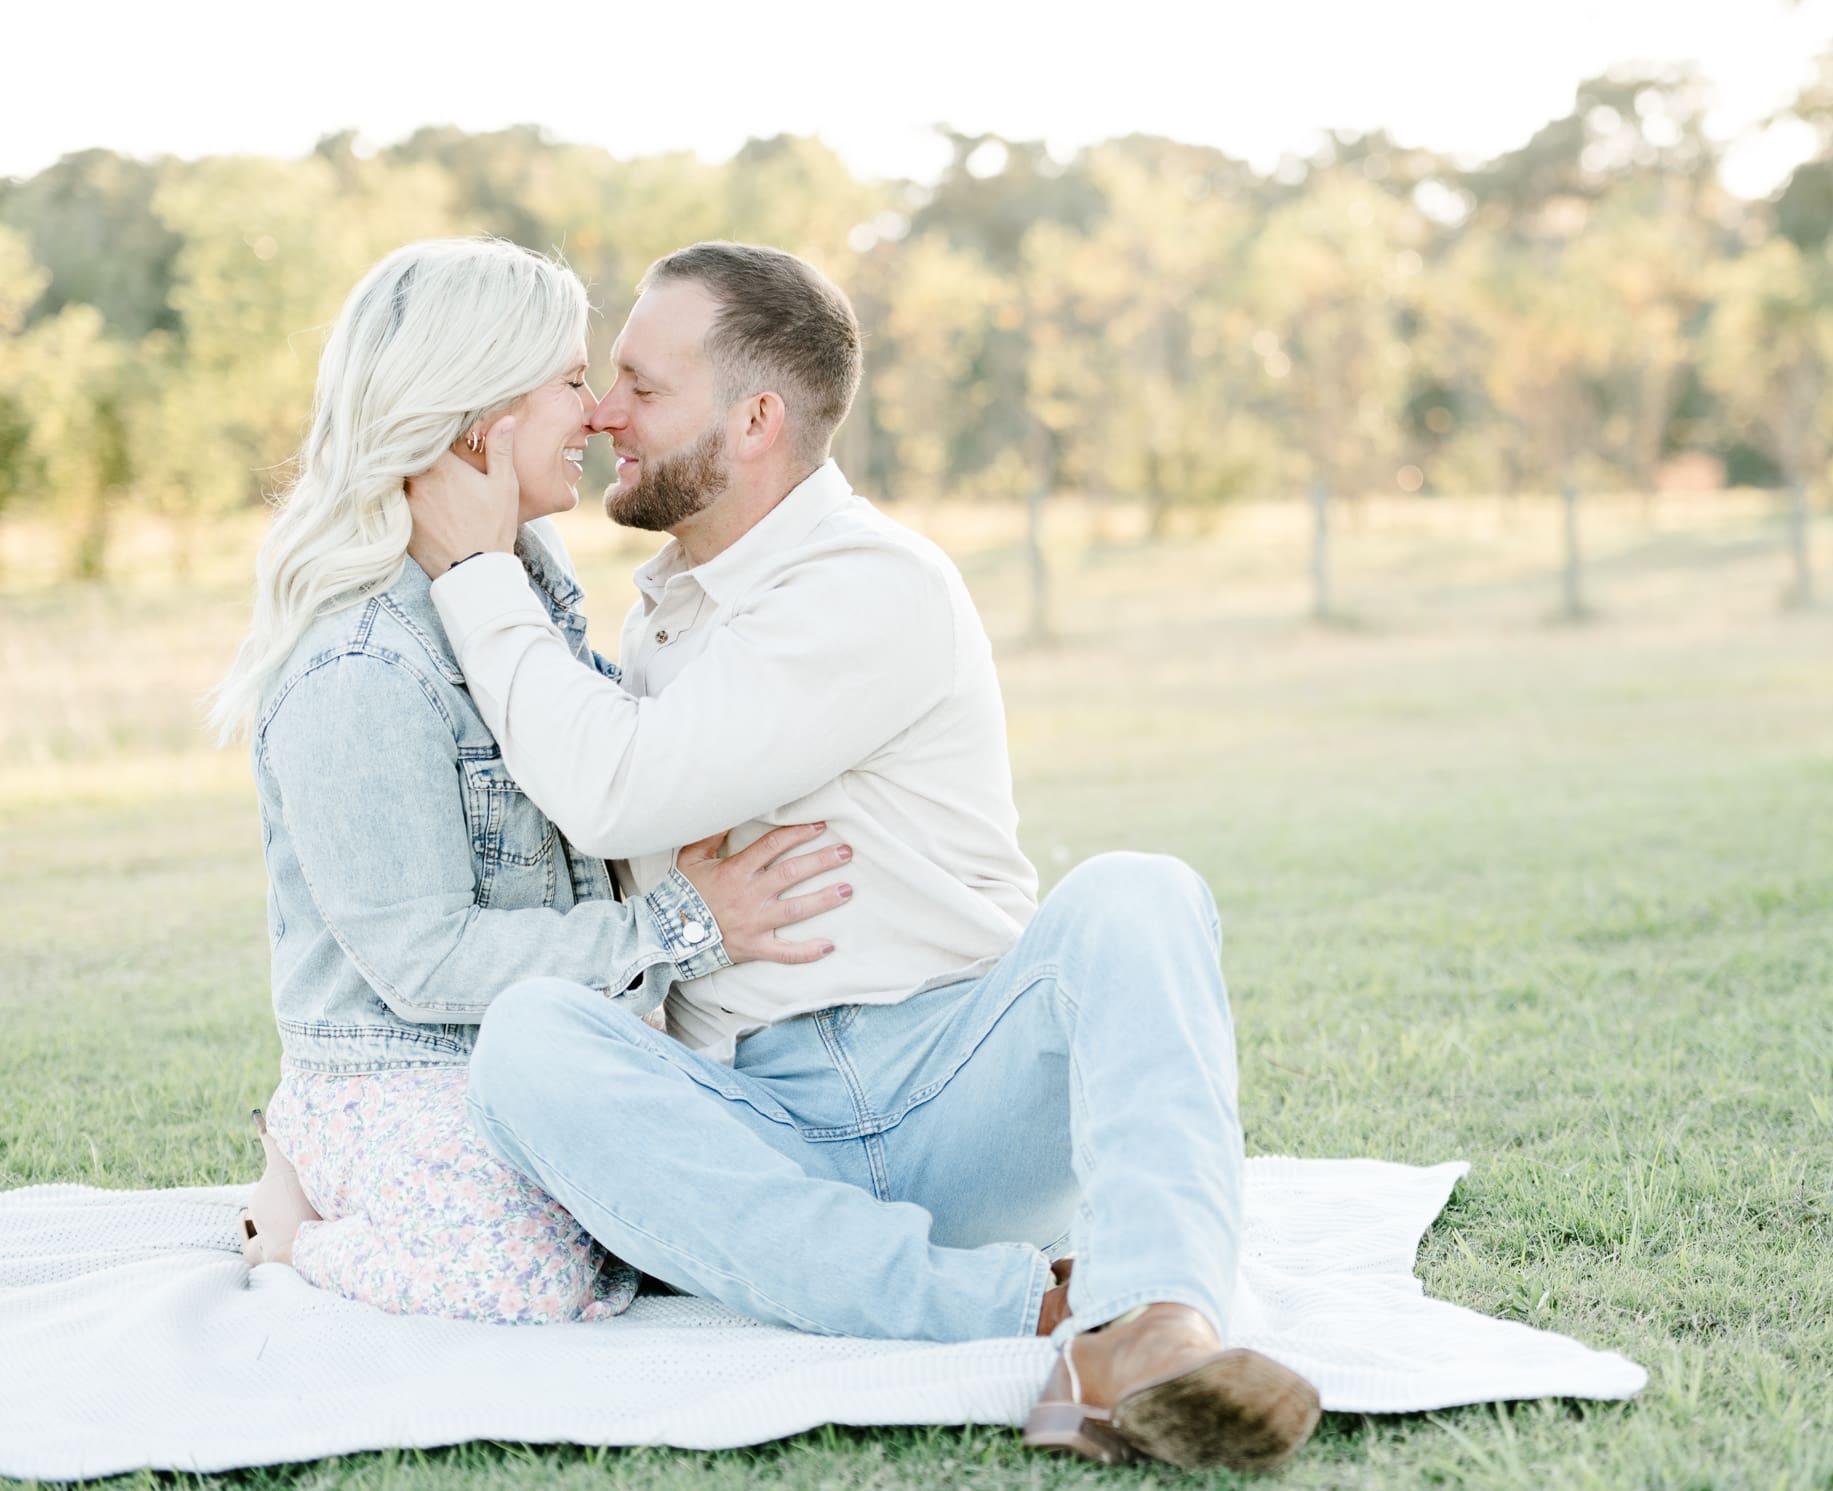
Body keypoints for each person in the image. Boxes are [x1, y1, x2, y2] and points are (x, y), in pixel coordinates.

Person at [405, 241, 1322, 1470]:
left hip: (959, 1093)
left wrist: (472, 570)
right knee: (531, 1045)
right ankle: (1044, 1316)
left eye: (641, 385)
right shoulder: (674, 606)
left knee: (1137, 894)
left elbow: (611, 793)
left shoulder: (868, 586)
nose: (606, 413)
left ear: (755, 421)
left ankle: (1156, 1317)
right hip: (757, 1115)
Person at [210, 238, 846, 1324]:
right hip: (402, 1069)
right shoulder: (359, 666)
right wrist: (685, 924)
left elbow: (599, 763)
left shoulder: (525, 587)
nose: (599, 412)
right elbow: (423, 960)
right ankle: (294, 1231)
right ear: (478, 421)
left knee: (717, 1214)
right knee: (535, 1272)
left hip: (543, 1053)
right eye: (569, 380)